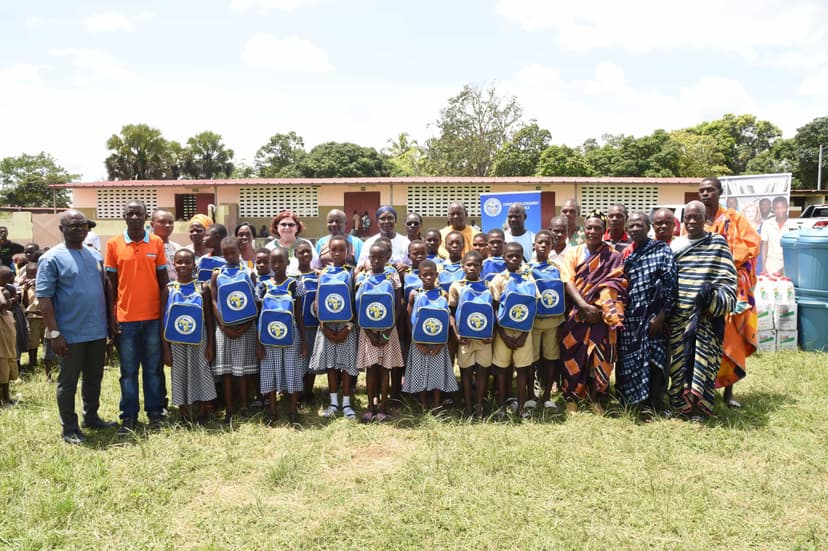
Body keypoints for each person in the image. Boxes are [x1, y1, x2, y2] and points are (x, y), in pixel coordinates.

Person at [36, 210, 114, 443]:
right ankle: (69, 428)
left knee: (94, 378)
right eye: (73, 226)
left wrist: (110, 323)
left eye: (83, 225)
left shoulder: (95, 255)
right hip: (69, 334)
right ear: (62, 229)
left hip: (97, 330)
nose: (79, 229)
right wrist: (55, 333)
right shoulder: (51, 258)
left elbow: (104, 290)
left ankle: (91, 417)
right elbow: (44, 299)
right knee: (68, 382)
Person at [668, 201, 737, 420]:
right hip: (679, 320)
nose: (691, 221)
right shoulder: (676, 246)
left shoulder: (717, 244)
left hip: (706, 321)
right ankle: (681, 406)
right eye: (688, 217)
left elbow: (727, 281)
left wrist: (712, 301)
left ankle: (701, 407)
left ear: (705, 219)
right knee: (679, 366)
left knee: (703, 364)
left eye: (696, 217)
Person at [696, 176, 760, 408]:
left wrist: (726, 262)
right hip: (701, 289)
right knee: (703, 339)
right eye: (701, 190)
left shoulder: (735, 219)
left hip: (730, 289)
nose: (705, 194)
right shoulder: (695, 221)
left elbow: (753, 246)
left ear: (719, 192)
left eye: (710, 190)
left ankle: (728, 392)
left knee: (729, 340)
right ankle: (702, 389)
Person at [105, 200, 169, 434]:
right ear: (124, 216)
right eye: (130, 213)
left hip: (153, 319)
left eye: (138, 214)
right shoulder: (113, 244)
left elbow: (163, 283)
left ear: (146, 217)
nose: (134, 217)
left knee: (153, 369)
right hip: (126, 319)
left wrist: (163, 315)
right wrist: (111, 316)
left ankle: (155, 413)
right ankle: (129, 417)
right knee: (128, 372)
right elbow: (110, 284)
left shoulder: (156, 243)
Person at [559, 212, 628, 415]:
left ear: (603, 230)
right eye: (589, 227)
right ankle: (571, 396)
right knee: (572, 354)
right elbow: (567, 281)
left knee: (600, 356)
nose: (592, 231)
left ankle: (596, 398)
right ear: (584, 229)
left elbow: (617, 282)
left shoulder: (613, 255)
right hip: (577, 314)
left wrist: (599, 307)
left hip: (601, 315)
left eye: (597, 228)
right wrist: (584, 306)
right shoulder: (573, 253)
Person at [617, 213, 677, 414]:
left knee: (655, 361)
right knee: (630, 361)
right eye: (631, 226)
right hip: (631, 318)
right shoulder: (626, 254)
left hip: (654, 318)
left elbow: (670, 287)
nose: (635, 229)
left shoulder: (662, 251)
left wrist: (661, 316)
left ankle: (656, 403)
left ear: (648, 227)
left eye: (639, 225)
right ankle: (635, 402)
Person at [160, 249, 216, 425]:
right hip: (176, 342)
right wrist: (165, 349)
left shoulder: (202, 288)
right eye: (179, 262)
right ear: (174, 264)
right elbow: (163, 321)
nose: (183, 265)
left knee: (201, 372)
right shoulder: (168, 289)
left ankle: (202, 411)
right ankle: (183, 412)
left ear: (194, 265)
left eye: (187, 262)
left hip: (200, 340)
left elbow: (209, 319)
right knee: (180, 374)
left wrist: (210, 345)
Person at [309, 235, 359, 420]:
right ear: (328, 251)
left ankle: (346, 403)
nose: (337, 253)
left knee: (346, 366)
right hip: (327, 327)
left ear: (348, 252)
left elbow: (355, 302)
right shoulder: (323, 274)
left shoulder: (352, 273)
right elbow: (318, 302)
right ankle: (333, 403)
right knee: (331, 365)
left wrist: (348, 327)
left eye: (341, 250)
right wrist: (324, 326)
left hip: (347, 327)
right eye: (334, 250)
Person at [210, 237, 258, 424]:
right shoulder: (217, 274)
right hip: (224, 329)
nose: (229, 256)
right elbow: (213, 300)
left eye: (233, 252)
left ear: (240, 251)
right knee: (226, 371)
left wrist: (246, 325)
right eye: (226, 253)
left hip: (246, 328)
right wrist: (222, 325)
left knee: (243, 370)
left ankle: (245, 406)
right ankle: (229, 409)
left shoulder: (248, 272)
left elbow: (254, 301)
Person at [355, 240, 404, 422]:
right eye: (372, 257)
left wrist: (386, 332)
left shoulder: (392, 278)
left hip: (388, 332)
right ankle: (370, 405)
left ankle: (383, 404)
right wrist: (368, 332)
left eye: (380, 257)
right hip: (367, 332)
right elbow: (359, 307)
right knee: (371, 370)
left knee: (385, 369)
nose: (376, 261)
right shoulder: (362, 278)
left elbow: (398, 305)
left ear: (387, 258)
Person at [258, 247, 307, 424]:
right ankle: (272, 409)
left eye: (281, 261)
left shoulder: (295, 284)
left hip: (291, 335)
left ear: (288, 262)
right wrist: (258, 343)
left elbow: (299, 314)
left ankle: (293, 409)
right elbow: (259, 316)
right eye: (274, 262)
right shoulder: (263, 286)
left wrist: (303, 340)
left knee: (292, 369)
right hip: (268, 336)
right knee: (270, 370)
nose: (277, 265)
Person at [489, 242, 538, 419]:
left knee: (523, 369)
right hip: (504, 332)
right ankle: (502, 407)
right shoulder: (498, 280)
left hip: (525, 332)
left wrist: (524, 334)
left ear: (522, 257)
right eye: (510, 255)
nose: (514, 258)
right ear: (504, 257)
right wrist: (502, 334)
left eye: (518, 255)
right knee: (502, 369)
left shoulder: (529, 279)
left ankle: (521, 407)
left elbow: (533, 308)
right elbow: (494, 308)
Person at [403, 259, 458, 411]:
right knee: (421, 372)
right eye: (425, 275)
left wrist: (441, 343)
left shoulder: (443, 295)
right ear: (419, 276)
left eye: (431, 274)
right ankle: (423, 403)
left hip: (439, 342)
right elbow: (409, 320)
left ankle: (436, 404)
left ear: (436, 275)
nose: (428, 277)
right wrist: (416, 342)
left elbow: (447, 320)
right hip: (419, 341)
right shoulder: (415, 294)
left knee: (437, 373)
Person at [449, 250, 492, 417]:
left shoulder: (488, 286)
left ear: (481, 267)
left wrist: (492, 332)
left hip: (484, 339)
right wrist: (456, 334)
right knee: (466, 371)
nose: (472, 268)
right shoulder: (456, 286)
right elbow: (450, 312)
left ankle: (479, 405)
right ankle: (467, 405)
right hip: (464, 338)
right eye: (469, 265)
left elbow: (494, 310)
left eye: (476, 265)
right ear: (463, 266)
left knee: (482, 371)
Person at [529, 230, 566, 411]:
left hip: (554, 321)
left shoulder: (556, 268)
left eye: (547, 243)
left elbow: (563, 292)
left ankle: (547, 396)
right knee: (532, 359)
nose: (543, 246)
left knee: (551, 358)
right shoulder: (526, 268)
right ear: (534, 245)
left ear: (552, 247)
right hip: (534, 322)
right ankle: (531, 395)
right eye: (540, 242)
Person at [294, 242, 319, 407]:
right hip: (296, 326)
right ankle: (298, 391)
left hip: (313, 325)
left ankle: (309, 392)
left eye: (308, 251)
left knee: (311, 359)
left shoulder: (318, 275)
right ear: (295, 254)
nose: (305, 255)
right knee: (298, 359)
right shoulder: (291, 276)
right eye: (301, 252)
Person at [22, 259, 56, 380]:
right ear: (27, 275)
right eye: (31, 274)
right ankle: (33, 363)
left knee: (46, 340)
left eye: (36, 273)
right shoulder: (25, 288)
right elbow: (25, 304)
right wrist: (25, 289)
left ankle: (48, 362)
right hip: (33, 317)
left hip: (45, 317)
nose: (34, 276)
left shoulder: (44, 285)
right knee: (33, 340)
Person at [265, 211, 318, 276]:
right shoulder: (270, 247)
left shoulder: (306, 244)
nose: (287, 227)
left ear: (297, 227)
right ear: (277, 227)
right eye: (283, 224)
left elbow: (316, 265)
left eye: (291, 225)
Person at [357, 206, 409, 271]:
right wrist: (366, 264)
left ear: (395, 220)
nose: (386, 221)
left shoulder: (405, 242)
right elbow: (360, 266)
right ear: (377, 222)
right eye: (382, 218)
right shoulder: (369, 243)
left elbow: (412, 265)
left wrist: (405, 267)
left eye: (390, 218)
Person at [0, 267, 20, 408]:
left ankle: (6, 397)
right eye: (6, 281)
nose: (8, 284)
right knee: (2, 367)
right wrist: (2, 293)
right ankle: (4, 400)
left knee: (6, 366)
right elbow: (3, 304)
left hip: (7, 337)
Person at [760, 196, 789, 276]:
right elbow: (765, 245)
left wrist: (784, 268)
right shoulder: (767, 224)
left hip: (787, 264)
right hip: (771, 264)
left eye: (783, 208)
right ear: (773, 209)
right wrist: (763, 265)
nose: (780, 211)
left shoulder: (793, 226)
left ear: (787, 207)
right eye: (777, 208)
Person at [152, 209, 182, 281]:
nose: (168, 225)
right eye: (162, 222)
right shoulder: (146, 248)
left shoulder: (178, 249)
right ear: (152, 224)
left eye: (170, 222)